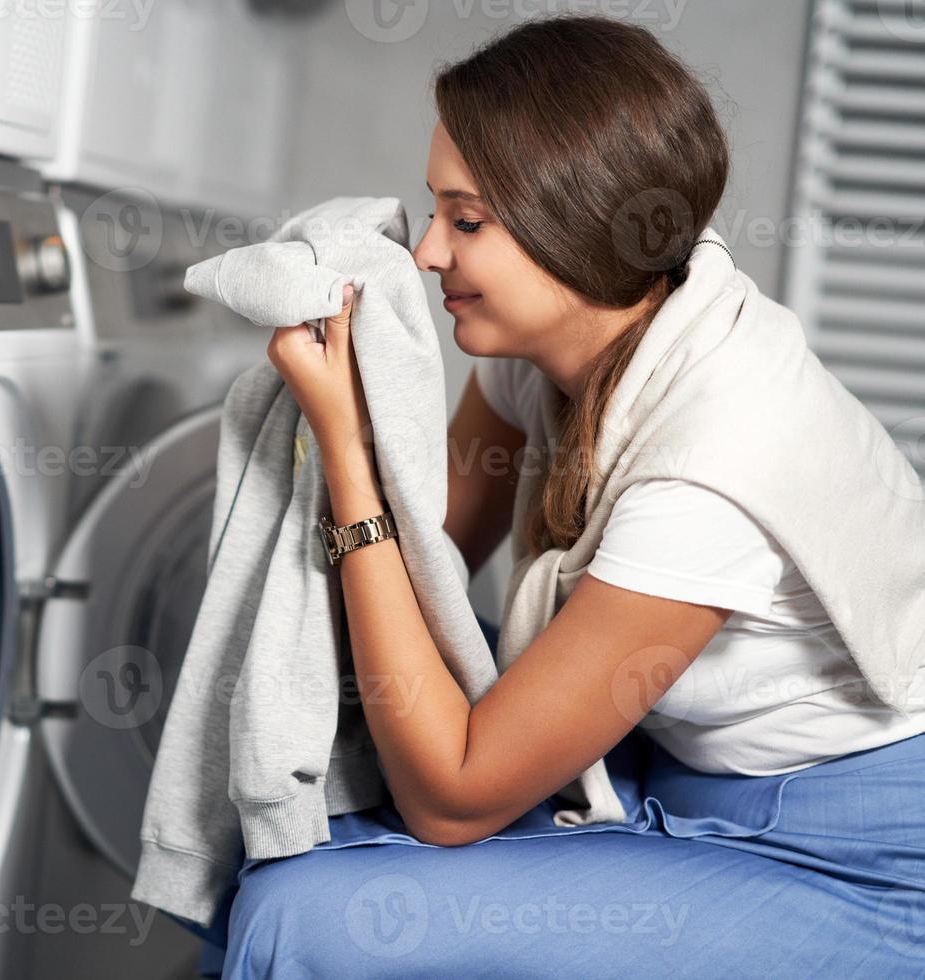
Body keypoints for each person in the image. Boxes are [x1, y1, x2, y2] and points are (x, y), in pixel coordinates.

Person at [203, 13, 925, 978]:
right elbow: (431, 556)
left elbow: (452, 796)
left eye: (466, 222)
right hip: (672, 769)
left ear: (570, 225)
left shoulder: (716, 468)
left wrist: (345, 454)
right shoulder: (554, 349)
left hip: (855, 860)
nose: (424, 255)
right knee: (265, 843)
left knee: (301, 917)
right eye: (434, 212)